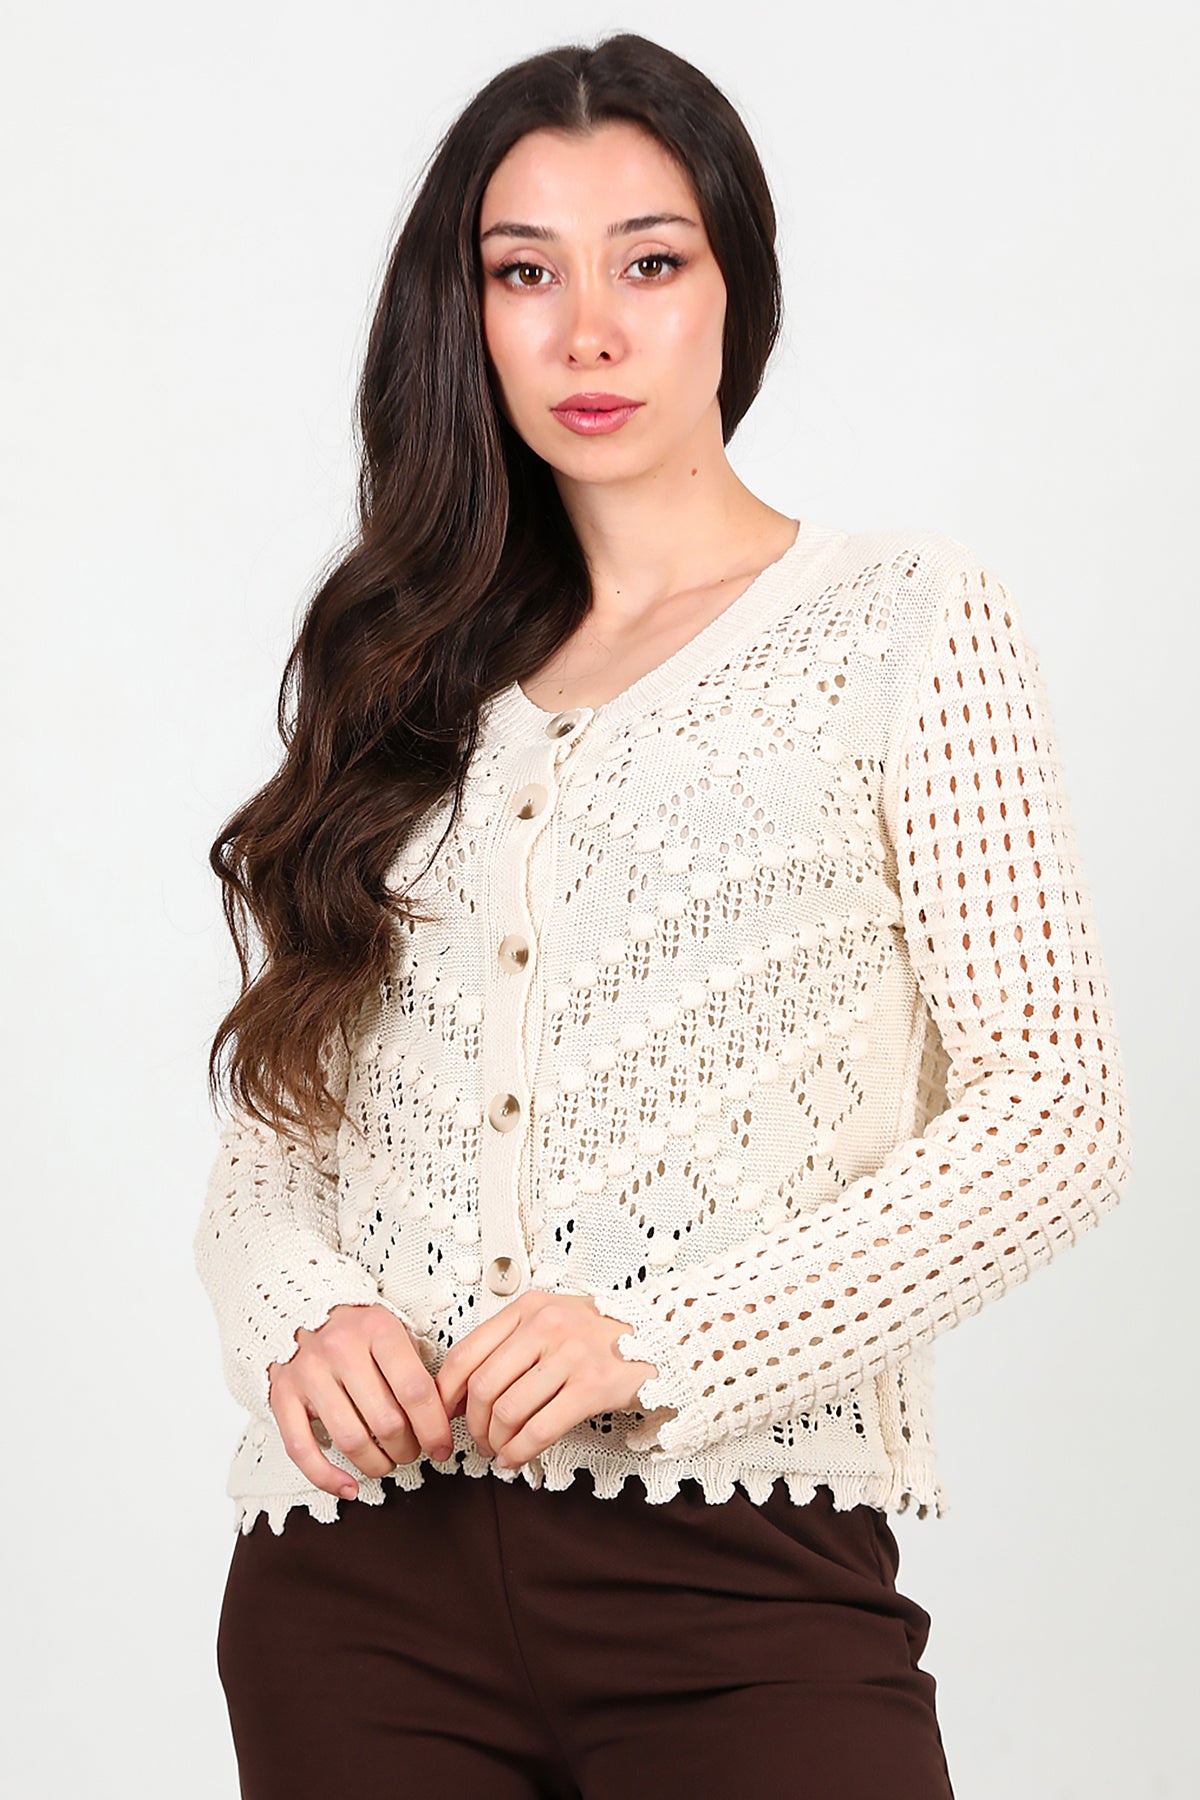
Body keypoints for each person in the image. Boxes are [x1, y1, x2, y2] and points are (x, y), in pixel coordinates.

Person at [193, 31, 1132, 1800]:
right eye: (523, 273)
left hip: (737, 1576)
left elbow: (1054, 1114)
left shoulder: (903, 622)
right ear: (465, 315)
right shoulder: (401, 676)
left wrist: (668, 1340)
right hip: (353, 1594)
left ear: (733, 288)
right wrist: (299, 1312)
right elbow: (277, 1130)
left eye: (649, 262)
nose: (588, 333)